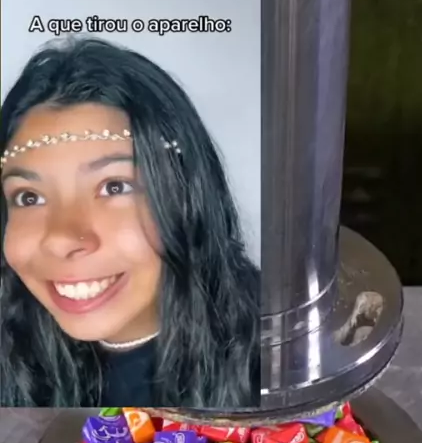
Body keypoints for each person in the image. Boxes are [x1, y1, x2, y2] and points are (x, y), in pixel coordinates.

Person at [0, 37, 260, 409]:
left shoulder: (285, 359)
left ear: (187, 198)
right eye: (29, 197)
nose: (61, 238)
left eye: (114, 186)